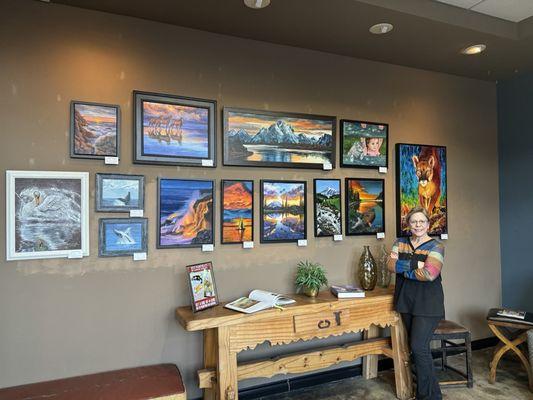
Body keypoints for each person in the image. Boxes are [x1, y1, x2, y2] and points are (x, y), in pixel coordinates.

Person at [387, 206, 445, 400]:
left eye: (421, 221)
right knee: (416, 348)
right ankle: (432, 394)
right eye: (414, 222)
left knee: (419, 347)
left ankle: (427, 396)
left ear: (428, 224)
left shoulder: (436, 246)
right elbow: (390, 266)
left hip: (428, 304)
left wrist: (404, 267)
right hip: (405, 301)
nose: (418, 225)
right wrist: (416, 264)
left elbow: (429, 274)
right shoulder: (400, 242)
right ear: (408, 224)